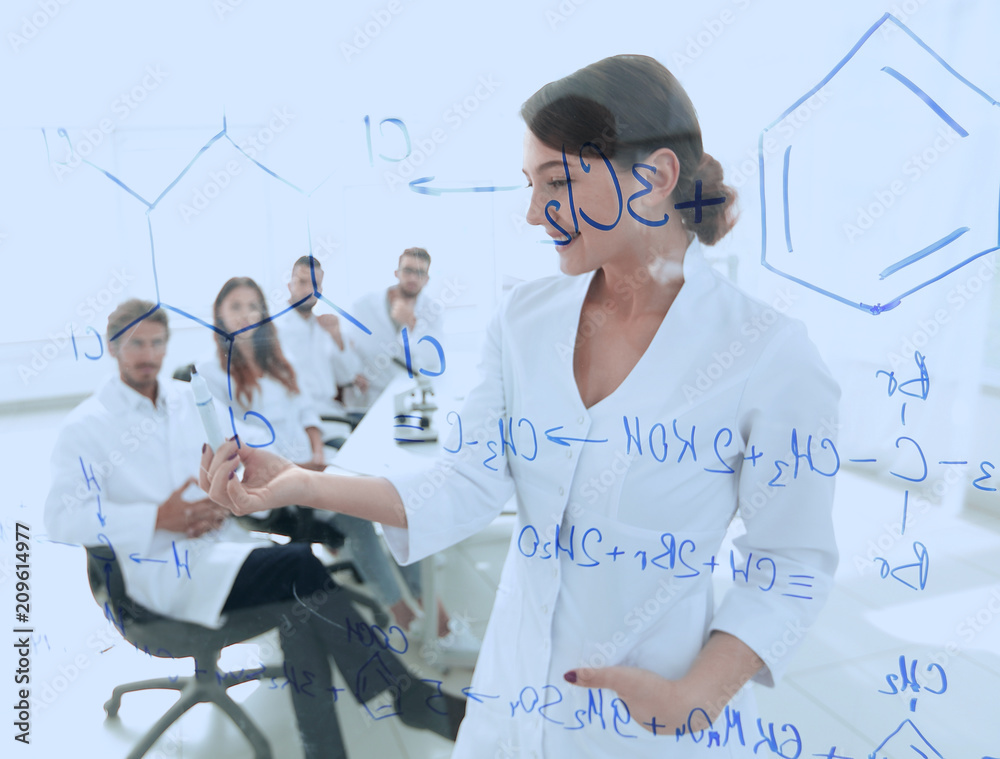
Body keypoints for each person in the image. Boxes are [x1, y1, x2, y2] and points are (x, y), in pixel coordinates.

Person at [200, 55, 840, 758]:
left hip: (649, 713)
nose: (535, 213)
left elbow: (792, 560)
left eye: (558, 183)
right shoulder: (525, 319)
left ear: (653, 178)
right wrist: (302, 482)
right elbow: (466, 481)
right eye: (531, 186)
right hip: (512, 692)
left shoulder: (767, 355)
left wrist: (699, 693)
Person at [45, 299, 464, 759]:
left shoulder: (187, 399)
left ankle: (327, 748)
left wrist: (287, 469)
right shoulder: (86, 427)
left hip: (220, 550)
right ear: (112, 347)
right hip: (159, 573)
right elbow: (61, 519)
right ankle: (407, 699)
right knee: (300, 566)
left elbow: (246, 441)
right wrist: (155, 519)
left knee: (300, 604)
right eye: (135, 344)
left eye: (157, 342)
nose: (148, 354)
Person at [342, 247, 443, 411]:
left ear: (426, 279)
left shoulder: (432, 310)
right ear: (397, 273)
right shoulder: (363, 306)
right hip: (369, 396)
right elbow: (347, 347)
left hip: (407, 393)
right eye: (408, 270)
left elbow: (433, 359)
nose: (412, 278)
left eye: (419, 273)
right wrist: (353, 373)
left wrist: (412, 323)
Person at [274, 255, 362, 420]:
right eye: (302, 282)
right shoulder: (275, 329)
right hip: (300, 416)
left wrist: (336, 336)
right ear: (289, 285)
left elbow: (347, 375)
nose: (309, 290)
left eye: (315, 284)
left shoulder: (325, 327)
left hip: (331, 411)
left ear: (321, 290)